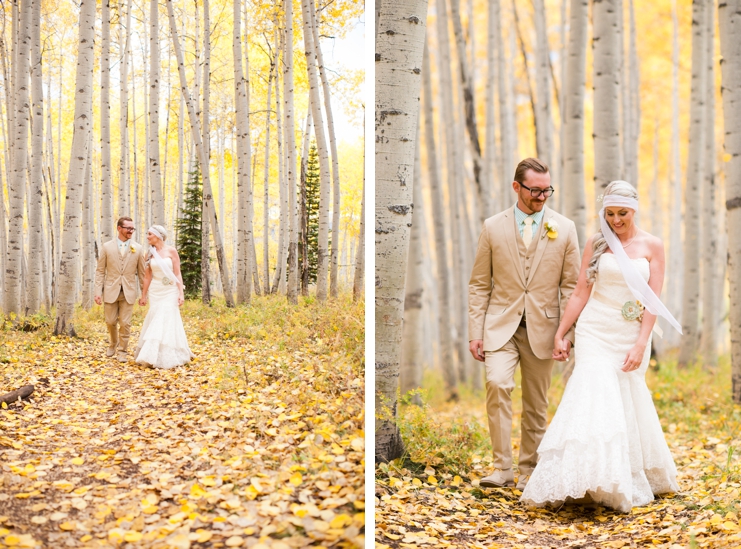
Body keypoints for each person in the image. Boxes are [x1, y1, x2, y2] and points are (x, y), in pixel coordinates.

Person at [520, 180, 682, 513]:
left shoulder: (653, 245)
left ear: (634, 210)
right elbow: (581, 291)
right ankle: (582, 477)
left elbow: (652, 301)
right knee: (593, 391)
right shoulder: (596, 242)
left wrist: (641, 343)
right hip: (595, 328)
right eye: (610, 213)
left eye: (622, 213)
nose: (616, 220)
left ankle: (621, 475)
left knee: (626, 398)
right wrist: (562, 333)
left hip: (631, 331)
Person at [468, 158, 581, 490]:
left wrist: (567, 334)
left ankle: (529, 470)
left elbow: (571, 287)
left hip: (545, 331)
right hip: (500, 327)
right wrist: (476, 332)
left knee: (537, 402)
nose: (542, 196)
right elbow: (478, 284)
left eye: (547, 190)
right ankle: (502, 468)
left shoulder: (565, 227)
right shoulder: (492, 226)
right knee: (498, 384)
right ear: (517, 187)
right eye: (535, 190)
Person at [134, 225, 194, 369]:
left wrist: (181, 293)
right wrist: (143, 295)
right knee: (156, 318)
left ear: (158, 235)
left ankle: (169, 354)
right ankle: (152, 354)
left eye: (150, 234)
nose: (147, 237)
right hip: (156, 290)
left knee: (166, 317)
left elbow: (177, 273)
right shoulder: (149, 254)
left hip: (170, 290)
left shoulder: (172, 251)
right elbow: (147, 276)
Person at [94, 217, 147, 362]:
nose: (131, 231)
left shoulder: (138, 248)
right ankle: (113, 343)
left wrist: (144, 294)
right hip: (111, 290)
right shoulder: (106, 247)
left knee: (125, 323)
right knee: (110, 321)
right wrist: (98, 292)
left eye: (132, 228)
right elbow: (100, 271)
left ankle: (123, 350)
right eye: (128, 228)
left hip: (129, 291)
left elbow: (142, 274)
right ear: (119, 228)